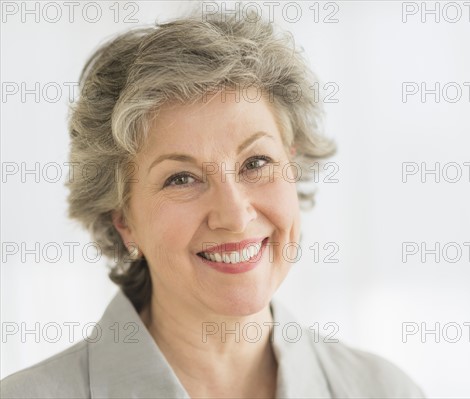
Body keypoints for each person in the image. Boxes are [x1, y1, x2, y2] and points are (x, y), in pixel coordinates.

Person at [1, 10, 425, 398]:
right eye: (181, 178)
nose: (235, 215)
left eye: (255, 162)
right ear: (123, 221)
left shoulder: (383, 389)